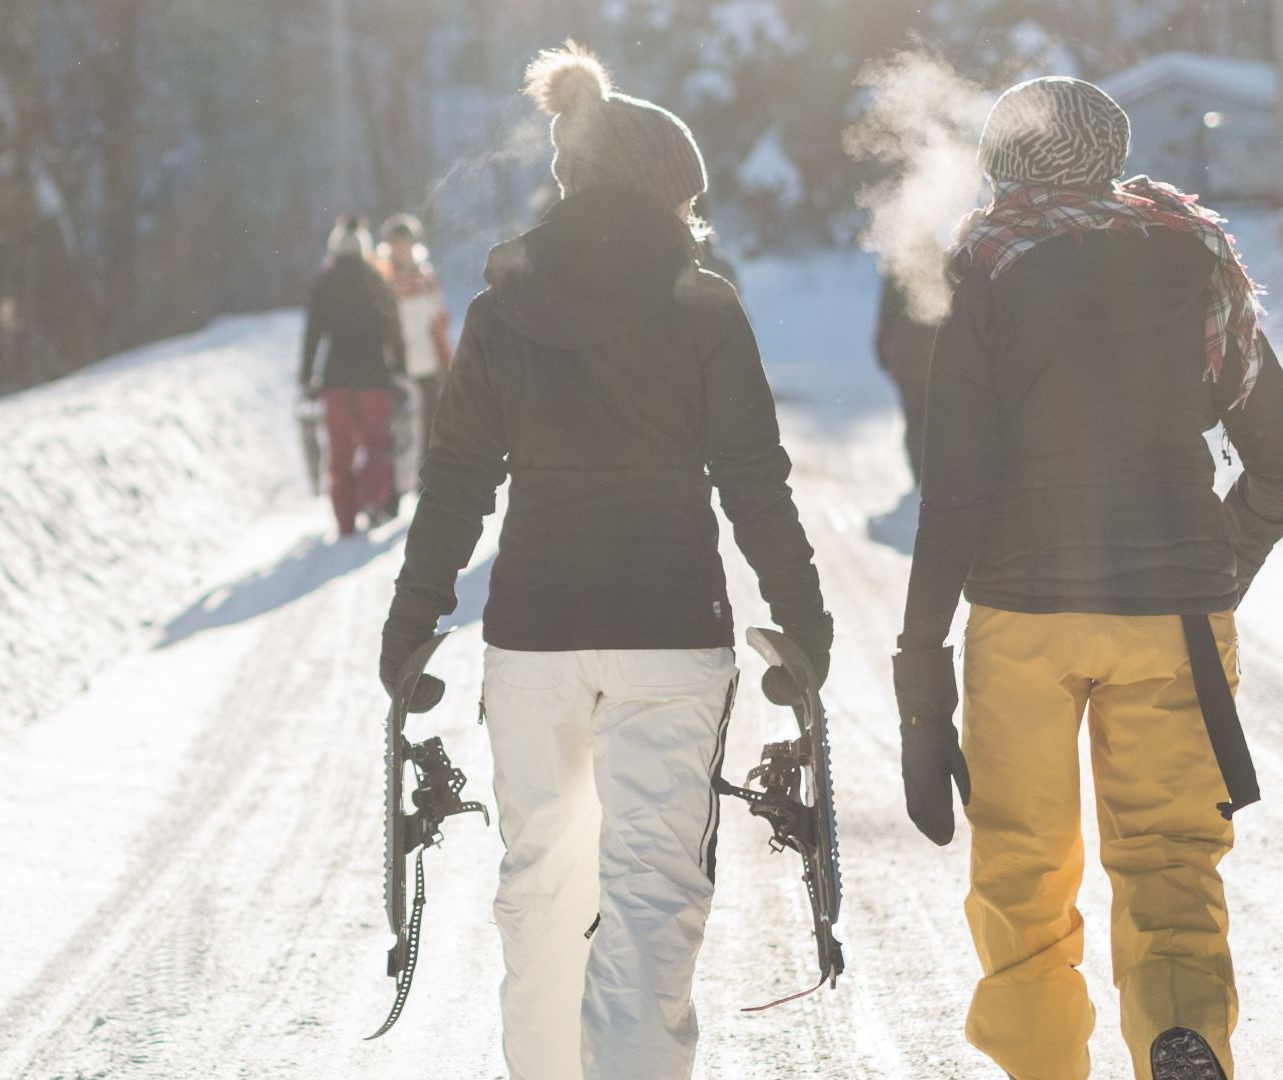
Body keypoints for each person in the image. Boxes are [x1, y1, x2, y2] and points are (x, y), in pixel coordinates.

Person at [379, 43, 831, 1080]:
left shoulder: (502, 313)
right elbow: (755, 479)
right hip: (672, 636)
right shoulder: (705, 307)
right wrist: (805, 618)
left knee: (539, 892)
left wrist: (411, 626)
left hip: (535, 638)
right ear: (669, 195)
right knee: (650, 899)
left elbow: (454, 483)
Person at [890, 77, 1283, 1080]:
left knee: (1023, 875)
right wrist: (1217, 573)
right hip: (1173, 614)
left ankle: (1041, 1066)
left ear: (1002, 166)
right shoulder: (1198, 257)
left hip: (1023, 622)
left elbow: (954, 492)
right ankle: (1183, 1040)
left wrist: (919, 661)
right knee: (1170, 864)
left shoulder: (984, 268)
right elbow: (1277, 459)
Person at [301, 215, 405, 535]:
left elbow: (313, 334)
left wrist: (307, 376)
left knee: (340, 451)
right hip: (375, 378)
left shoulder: (324, 282)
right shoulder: (377, 279)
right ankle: (372, 500)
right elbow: (394, 329)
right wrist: (399, 369)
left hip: (335, 380)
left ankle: (345, 519)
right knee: (376, 444)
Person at [379, 213, 454, 466]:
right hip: (398, 368)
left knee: (430, 430)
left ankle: (425, 485)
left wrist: (445, 360)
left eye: (406, 241)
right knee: (399, 434)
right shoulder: (383, 280)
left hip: (429, 365)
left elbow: (440, 320)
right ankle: (396, 494)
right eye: (396, 242)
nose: (402, 247)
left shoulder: (426, 277)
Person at [874, 273, 939, 487]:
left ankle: (918, 473)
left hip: (906, 354)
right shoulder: (942, 258)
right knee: (936, 417)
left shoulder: (899, 265)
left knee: (914, 417)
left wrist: (881, 349)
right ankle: (932, 472)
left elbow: (886, 312)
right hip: (934, 353)